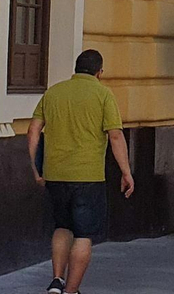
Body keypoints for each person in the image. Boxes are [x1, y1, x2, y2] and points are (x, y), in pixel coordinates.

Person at [27, 50, 135, 294]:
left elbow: (33, 131)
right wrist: (126, 172)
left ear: (76, 68)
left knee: (62, 227)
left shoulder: (53, 92)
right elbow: (115, 136)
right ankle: (71, 290)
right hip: (89, 177)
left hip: (55, 174)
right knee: (83, 235)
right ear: (100, 72)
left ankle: (57, 280)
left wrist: (36, 168)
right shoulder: (103, 94)